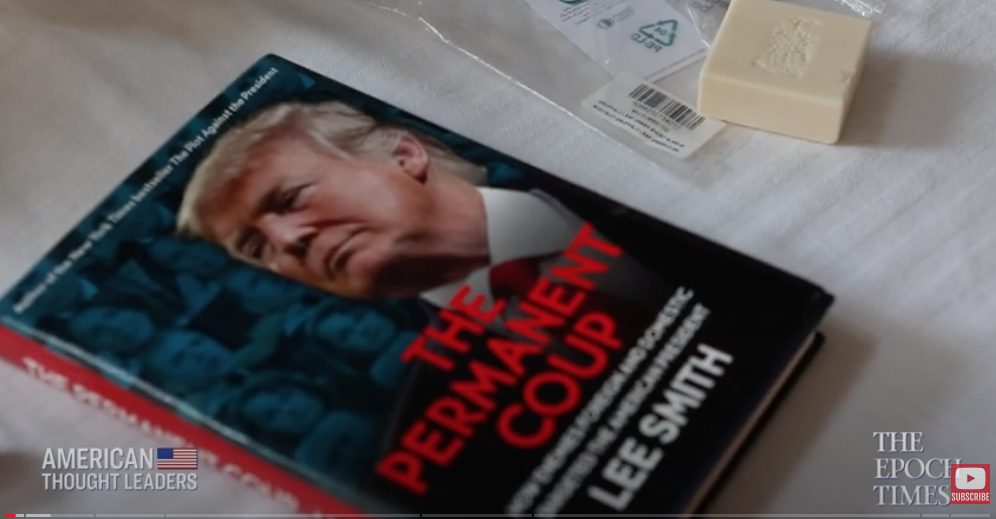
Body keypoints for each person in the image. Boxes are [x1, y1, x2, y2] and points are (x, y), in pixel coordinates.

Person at [176, 101, 581, 306]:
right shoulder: (422, 416)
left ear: (404, 155)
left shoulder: (574, 158)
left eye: (291, 199)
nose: (287, 241)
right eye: (256, 248)